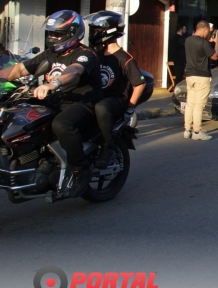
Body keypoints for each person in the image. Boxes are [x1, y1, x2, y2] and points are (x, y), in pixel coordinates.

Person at [0, 10, 102, 198]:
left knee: (61, 124)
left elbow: (74, 71)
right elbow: (19, 69)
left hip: (81, 102)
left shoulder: (85, 54)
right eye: (51, 33)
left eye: (58, 34)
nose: (53, 37)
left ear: (73, 33)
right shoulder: (49, 54)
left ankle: (80, 168)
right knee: (20, 117)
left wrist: (53, 84)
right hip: (54, 100)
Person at [86, 11, 146, 168]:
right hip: (98, 96)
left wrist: (130, 108)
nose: (94, 33)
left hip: (116, 100)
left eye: (97, 30)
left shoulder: (125, 58)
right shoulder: (96, 55)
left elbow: (139, 84)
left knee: (102, 107)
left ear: (108, 31)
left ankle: (109, 146)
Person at [184, 20, 218, 140]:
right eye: (208, 32)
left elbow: (199, 51)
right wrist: (216, 42)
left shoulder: (188, 40)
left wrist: (208, 43)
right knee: (199, 105)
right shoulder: (203, 42)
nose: (208, 34)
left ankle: (187, 129)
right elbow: (215, 56)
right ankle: (197, 131)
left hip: (190, 75)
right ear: (204, 29)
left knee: (190, 104)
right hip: (201, 76)